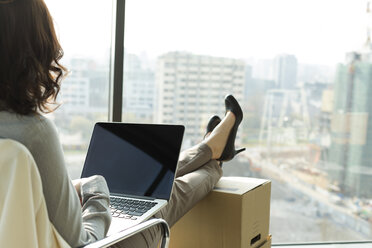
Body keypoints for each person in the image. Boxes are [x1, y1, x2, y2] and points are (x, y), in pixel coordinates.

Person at [0, 0, 245, 247]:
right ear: (36, 47)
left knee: (146, 183)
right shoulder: (34, 132)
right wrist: (96, 193)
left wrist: (75, 190)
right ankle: (215, 157)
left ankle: (212, 148)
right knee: (168, 199)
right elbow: (83, 242)